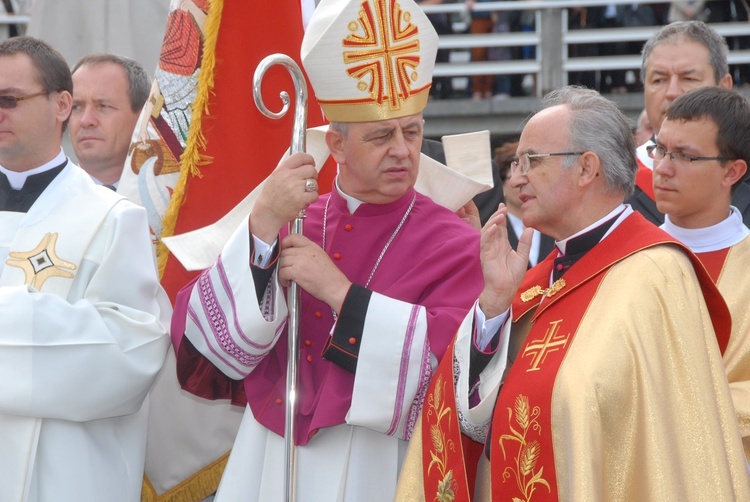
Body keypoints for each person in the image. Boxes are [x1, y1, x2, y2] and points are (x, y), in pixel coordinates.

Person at [169, 0, 484, 500]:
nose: (403, 150)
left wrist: (342, 295)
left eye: (412, 131)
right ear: (336, 146)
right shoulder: (294, 220)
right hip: (271, 453)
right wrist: (261, 225)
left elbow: (459, 377)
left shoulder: (456, 241)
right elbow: (206, 350)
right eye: (382, 135)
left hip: (380, 462)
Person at [396, 86, 750, 500]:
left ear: (586, 169)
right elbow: (471, 420)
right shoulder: (530, 281)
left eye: (533, 161)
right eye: (516, 162)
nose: (516, 178)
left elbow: (672, 452)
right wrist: (492, 305)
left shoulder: (658, 273)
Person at [0, 36, 170, 501]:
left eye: (10, 100)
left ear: (60, 105)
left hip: (63, 481)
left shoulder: (112, 218)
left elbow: (130, 355)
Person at [653, 86, 750, 460]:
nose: (662, 168)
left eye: (685, 156)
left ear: (732, 171)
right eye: (660, 149)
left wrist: (674, 406)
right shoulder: (622, 259)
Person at [628, 20, 750, 226]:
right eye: (659, 80)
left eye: (689, 78)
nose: (672, 92)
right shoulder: (609, 188)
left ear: (724, 87)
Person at [69, 53, 150, 189]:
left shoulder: (173, 200)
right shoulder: (41, 202)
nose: (86, 120)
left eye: (103, 106)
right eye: (76, 107)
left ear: (143, 115)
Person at [494, 140, 554, 267]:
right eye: (513, 176)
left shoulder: (554, 224)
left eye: (529, 175)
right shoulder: (494, 230)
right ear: (503, 186)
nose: (521, 183)